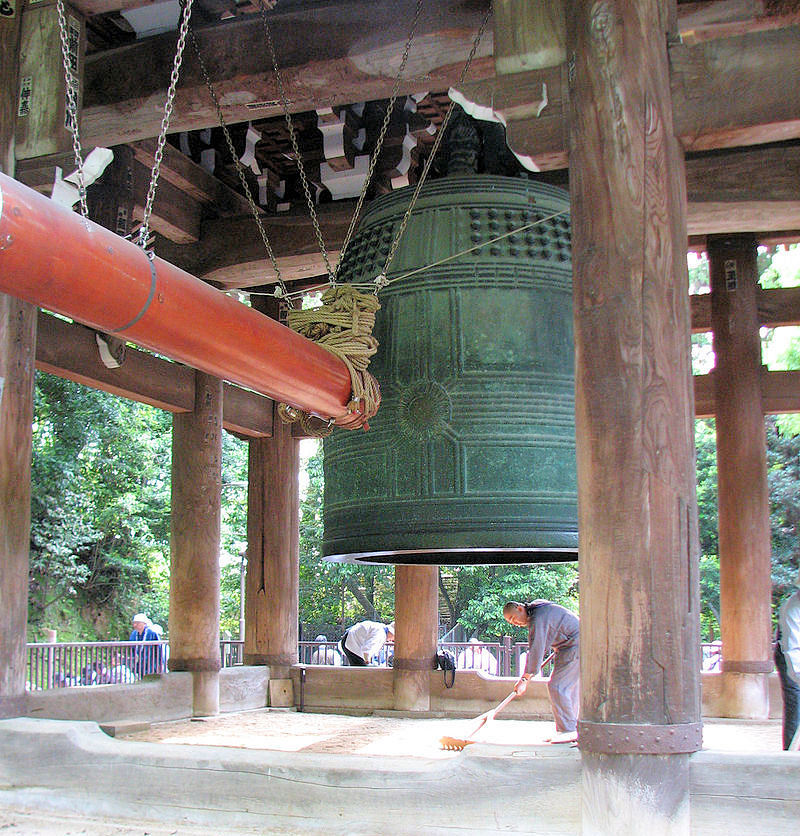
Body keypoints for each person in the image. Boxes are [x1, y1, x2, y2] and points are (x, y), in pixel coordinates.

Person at [504, 599, 580, 744]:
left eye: (513, 618)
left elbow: (536, 649)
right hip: (568, 647)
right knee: (569, 689)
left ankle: (568, 731)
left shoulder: (538, 617)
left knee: (557, 687)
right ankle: (572, 729)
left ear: (520, 608)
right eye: (511, 622)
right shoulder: (538, 609)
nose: (515, 623)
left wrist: (524, 679)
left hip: (575, 645)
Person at [775, 569, 800, 750]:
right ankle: (791, 754)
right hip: (789, 657)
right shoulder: (792, 609)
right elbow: (793, 650)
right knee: (796, 702)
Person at [129, 613, 162, 677]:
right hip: (139, 662)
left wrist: (160, 663)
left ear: (144, 623)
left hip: (151, 662)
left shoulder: (152, 633)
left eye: (137, 623)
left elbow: (158, 649)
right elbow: (132, 649)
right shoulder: (133, 634)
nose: (135, 625)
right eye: (134, 623)